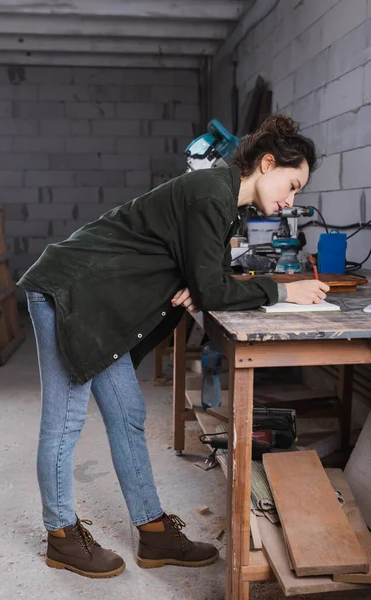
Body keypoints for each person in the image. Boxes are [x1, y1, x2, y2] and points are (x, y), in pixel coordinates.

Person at [17, 115, 329, 579]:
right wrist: (284, 290)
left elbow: (209, 280)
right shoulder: (210, 193)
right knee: (64, 422)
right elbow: (214, 287)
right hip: (71, 293)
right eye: (293, 184)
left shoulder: (225, 205)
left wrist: (202, 282)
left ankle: (154, 532)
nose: (291, 199)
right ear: (267, 163)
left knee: (128, 416)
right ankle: (61, 536)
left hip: (103, 306)